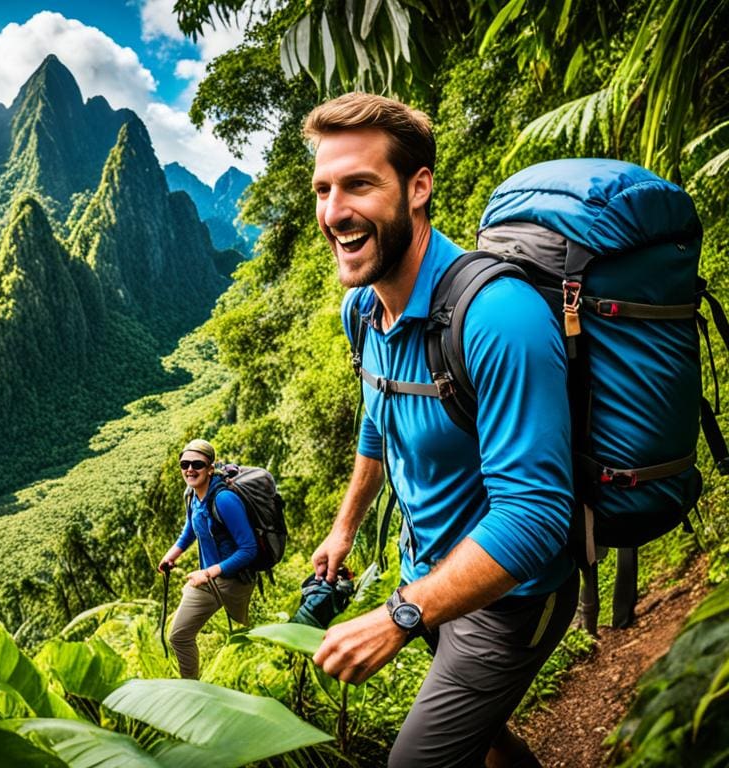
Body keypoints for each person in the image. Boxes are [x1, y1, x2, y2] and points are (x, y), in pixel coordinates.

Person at [305, 93, 579, 767]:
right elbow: (381, 418)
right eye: (323, 188)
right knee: (484, 739)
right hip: (428, 578)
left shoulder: (498, 317)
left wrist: (402, 613)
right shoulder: (362, 311)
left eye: (359, 184)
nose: (334, 211)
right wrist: (344, 527)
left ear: (419, 186)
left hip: (510, 598)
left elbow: (538, 516)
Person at [158, 438, 257, 679]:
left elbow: (249, 548)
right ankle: (191, 686)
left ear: (210, 468)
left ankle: (191, 691)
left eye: (197, 464)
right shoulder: (194, 496)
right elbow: (191, 529)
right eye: (184, 464)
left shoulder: (224, 500)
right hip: (213, 577)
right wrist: (172, 555)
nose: (190, 469)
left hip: (228, 578)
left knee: (178, 636)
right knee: (182, 633)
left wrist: (208, 572)